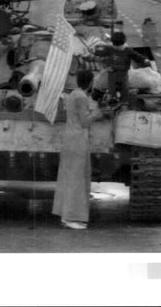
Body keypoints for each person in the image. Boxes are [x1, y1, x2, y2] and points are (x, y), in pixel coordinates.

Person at [52, 69, 105, 229]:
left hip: (71, 138)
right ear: (90, 82)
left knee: (70, 177)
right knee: (77, 179)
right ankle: (71, 217)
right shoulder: (81, 97)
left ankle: (66, 214)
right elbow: (85, 121)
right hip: (78, 139)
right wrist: (98, 113)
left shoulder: (73, 94)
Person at [94, 31, 151, 104]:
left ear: (123, 43)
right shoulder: (108, 49)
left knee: (124, 89)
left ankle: (124, 103)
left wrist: (144, 59)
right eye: (115, 46)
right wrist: (95, 51)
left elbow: (136, 56)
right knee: (112, 91)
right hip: (112, 74)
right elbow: (99, 52)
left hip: (123, 74)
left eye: (119, 46)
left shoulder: (128, 50)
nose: (117, 48)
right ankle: (112, 101)